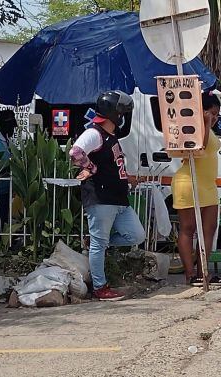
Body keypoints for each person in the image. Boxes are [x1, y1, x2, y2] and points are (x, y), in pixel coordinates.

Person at [69, 90, 145, 301]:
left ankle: (94, 244)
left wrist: (127, 178)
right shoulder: (94, 134)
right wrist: (90, 168)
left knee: (136, 235)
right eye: (122, 113)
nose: (123, 117)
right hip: (101, 197)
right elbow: (75, 152)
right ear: (115, 114)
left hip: (118, 198)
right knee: (99, 243)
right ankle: (100, 287)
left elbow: (111, 165)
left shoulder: (109, 136)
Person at [169, 90, 221, 286]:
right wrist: (206, 122)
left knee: (209, 228)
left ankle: (203, 271)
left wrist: (209, 122)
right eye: (212, 113)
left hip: (208, 184)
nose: (215, 118)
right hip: (188, 181)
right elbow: (201, 146)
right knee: (188, 228)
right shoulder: (193, 127)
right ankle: (190, 274)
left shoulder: (210, 127)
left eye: (217, 115)